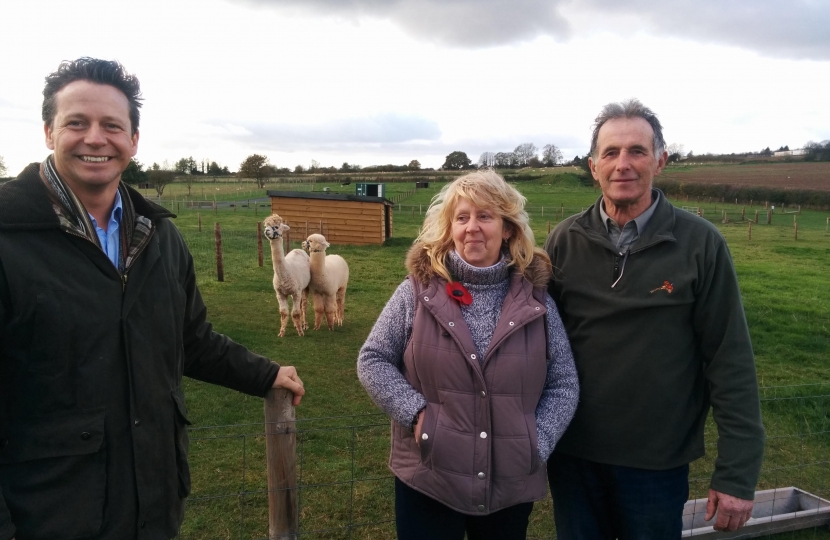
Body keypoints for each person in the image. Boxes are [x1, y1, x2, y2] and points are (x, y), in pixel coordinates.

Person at [0, 58, 305, 540]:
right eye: (76, 123)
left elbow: (190, 338)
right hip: (50, 513)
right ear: (48, 131)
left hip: (153, 504)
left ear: (133, 140)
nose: (95, 138)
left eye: (112, 126)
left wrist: (264, 373)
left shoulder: (158, 236)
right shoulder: (9, 237)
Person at [544, 99, 765, 539]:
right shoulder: (564, 240)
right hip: (573, 456)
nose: (622, 164)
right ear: (593, 166)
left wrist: (737, 473)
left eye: (637, 151)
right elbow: (533, 342)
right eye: (610, 153)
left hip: (655, 463)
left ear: (660, 160)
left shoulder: (700, 244)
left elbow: (730, 359)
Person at [358, 170, 579, 540]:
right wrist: (416, 415)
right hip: (428, 477)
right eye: (462, 217)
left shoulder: (537, 302)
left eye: (485, 216)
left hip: (508, 486)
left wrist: (535, 442)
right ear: (450, 228)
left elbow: (564, 382)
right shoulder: (416, 293)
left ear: (507, 228)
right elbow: (373, 359)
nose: (472, 227)